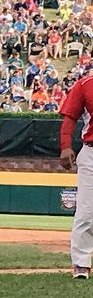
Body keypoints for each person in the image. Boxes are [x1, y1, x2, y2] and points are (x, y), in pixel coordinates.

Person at [60, 73, 93, 279]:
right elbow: (70, 116)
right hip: (91, 152)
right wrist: (65, 146)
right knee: (86, 212)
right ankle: (81, 264)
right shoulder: (86, 84)